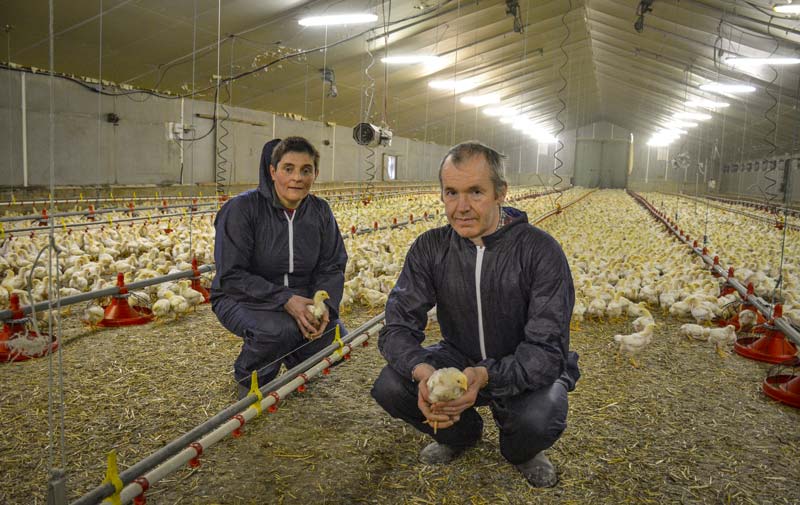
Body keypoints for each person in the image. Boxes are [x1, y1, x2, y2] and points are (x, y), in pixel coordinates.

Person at [370, 141, 580, 488]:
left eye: (476, 192)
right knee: (391, 385)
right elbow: (396, 328)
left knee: (539, 417)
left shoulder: (539, 251)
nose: (461, 207)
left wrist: (484, 376)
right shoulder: (431, 248)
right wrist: (425, 375)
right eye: (451, 192)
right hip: (460, 356)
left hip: (520, 361)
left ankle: (522, 450)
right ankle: (460, 434)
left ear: (501, 193)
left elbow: (547, 349)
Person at [211, 136, 348, 399]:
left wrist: (324, 308)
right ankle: (251, 381)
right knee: (276, 331)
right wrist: (285, 299)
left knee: (335, 336)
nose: (297, 177)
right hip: (242, 296)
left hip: (299, 294)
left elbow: (332, 265)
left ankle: (297, 362)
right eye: (288, 169)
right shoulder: (242, 209)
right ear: (273, 171)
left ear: (315, 174)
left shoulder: (320, 211)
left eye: (305, 170)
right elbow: (232, 275)